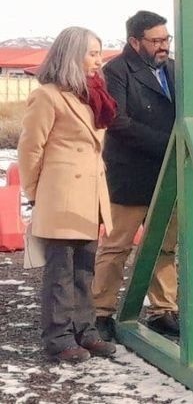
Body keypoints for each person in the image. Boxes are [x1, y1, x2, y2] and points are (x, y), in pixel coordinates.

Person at [18, 27, 118, 362]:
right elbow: (31, 149)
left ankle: (84, 331)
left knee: (84, 270)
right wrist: (36, 193)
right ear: (71, 54)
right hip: (61, 196)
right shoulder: (47, 96)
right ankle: (58, 337)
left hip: (89, 196)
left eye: (99, 52)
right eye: (92, 52)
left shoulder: (90, 95)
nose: (98, 60)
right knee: (60, 272)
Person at [93, 11, 180, 337]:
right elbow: (118, 121)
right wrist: (167, 144)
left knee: (165, 245)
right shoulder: (116, 71)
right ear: (134, 41)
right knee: (117, 245)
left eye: (166, 39)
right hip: (131, 173)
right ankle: (101, 310)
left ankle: (163, 309)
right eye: (156, 41)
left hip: (167, 174)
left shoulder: (174, 70)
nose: (163, 46)